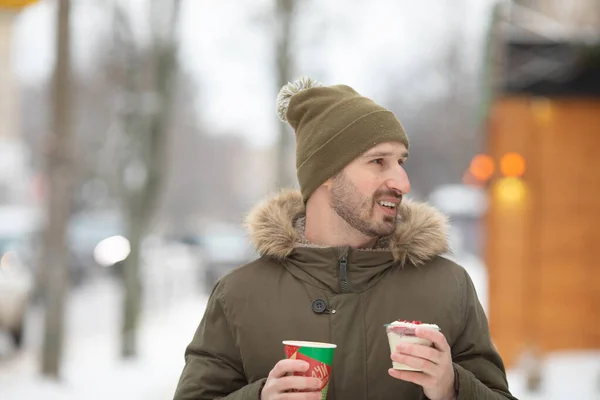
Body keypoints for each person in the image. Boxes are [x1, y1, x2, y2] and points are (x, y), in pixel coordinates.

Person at [173, 77, 517, 400]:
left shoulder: (447, 285)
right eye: (379, 161)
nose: (402, 182)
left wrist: (454, 388)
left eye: (401, 161)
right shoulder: (240, 295)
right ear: (325, 174)